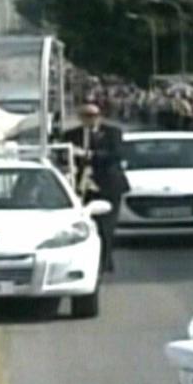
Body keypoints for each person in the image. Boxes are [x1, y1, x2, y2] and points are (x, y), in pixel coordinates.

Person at [63, 103, 130, 274]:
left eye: (94, 115)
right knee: (84, 226)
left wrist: (88, 155)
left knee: (106, 226)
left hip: (107, 185)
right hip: (81, 186)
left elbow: (116, 154)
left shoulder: (112, 133)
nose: (90, 118)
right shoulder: (71, 135)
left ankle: (104, 263)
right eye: (86, 115)